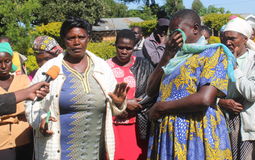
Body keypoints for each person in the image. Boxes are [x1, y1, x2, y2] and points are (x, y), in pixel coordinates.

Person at [25, 17, 129, 160]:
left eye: (81, 37)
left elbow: (115, 108)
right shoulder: (49, 69)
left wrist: (118, 103)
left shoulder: (102, 68)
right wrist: (40, 122)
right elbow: (31, 104)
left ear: (88, 38)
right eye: (71, 38)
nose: (76, 42)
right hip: (60, 154)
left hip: (95, 154)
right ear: (63, 40)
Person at [146, 9, 233, 159]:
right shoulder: (174, 58)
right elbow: (151, 90)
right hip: (170, 133)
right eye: (171, 32)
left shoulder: (214, 53)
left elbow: (205, 99)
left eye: (177, 31)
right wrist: (167, 54)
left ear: (195, 29)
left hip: (197, 130)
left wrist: (161, 107)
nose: (173, 36)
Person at [219, 17, 255, 160]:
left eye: (232, 39)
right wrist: (220, 102)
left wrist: (235, 67)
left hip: (249, 130)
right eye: (225, 38)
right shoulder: (217, 59)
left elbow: (252, 92)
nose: (227, 42)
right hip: (223, 126)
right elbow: (205, 89)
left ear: (245, 39)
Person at [107, 29, 154, 160]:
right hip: (113, 125)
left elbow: (152, 92)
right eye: (120, 47)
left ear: (134, 47)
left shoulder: (144, 65)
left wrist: (137, 105)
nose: (124, 51)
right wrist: (124, 104)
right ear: (115, 45)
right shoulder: (105, 67)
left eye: (128, 48)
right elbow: (100, 94)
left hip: (137, 125)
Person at [0, 42, 33, 160]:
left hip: (23, 139)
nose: (3, 66)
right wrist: (18, 112)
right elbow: (23, 106)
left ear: (12, 61)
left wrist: (4, 113)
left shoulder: (23, 80)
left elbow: (30, 107)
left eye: (7, 61)